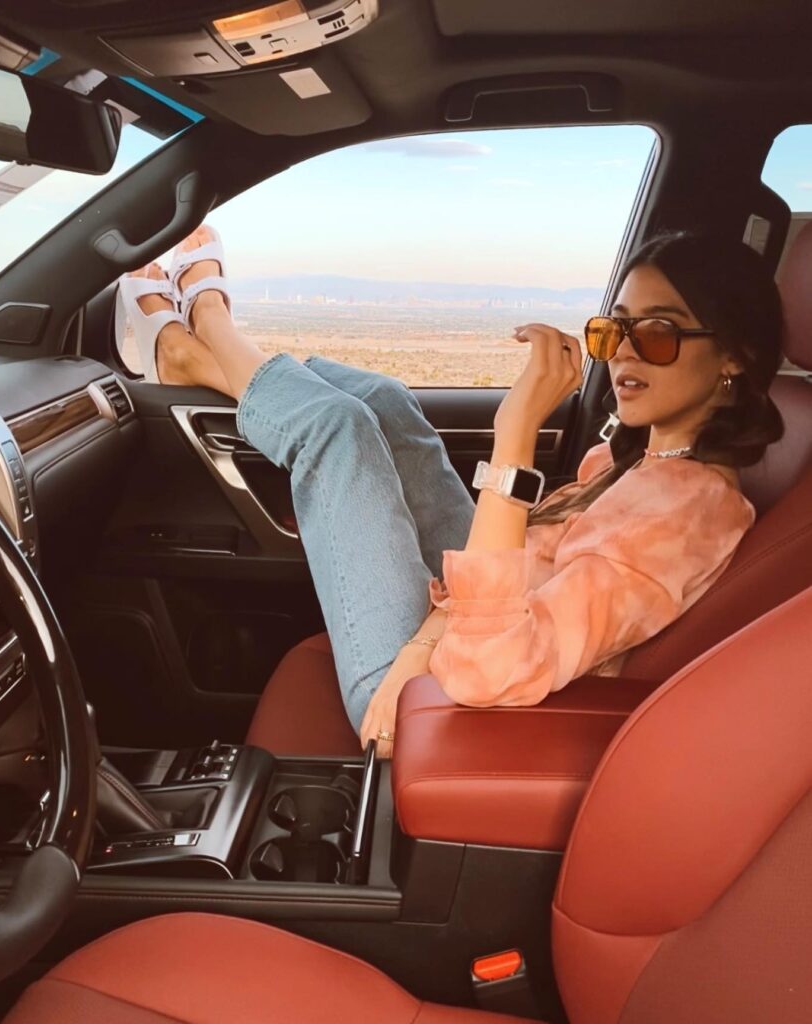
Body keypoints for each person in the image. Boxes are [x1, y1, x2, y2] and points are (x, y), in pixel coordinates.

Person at [117, 227, 784, 757]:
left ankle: (208, 325)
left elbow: (495, 664)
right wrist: (428, 631)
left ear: (736, 356)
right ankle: (194, 352)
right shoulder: (634, 461)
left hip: (447, 697)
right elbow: (531, 562)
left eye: (659, 332)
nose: (626, 353)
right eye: (616, 328)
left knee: (336, 430)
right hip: (461, 629)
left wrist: (516, 433)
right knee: (385, 401)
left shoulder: (687, 517)